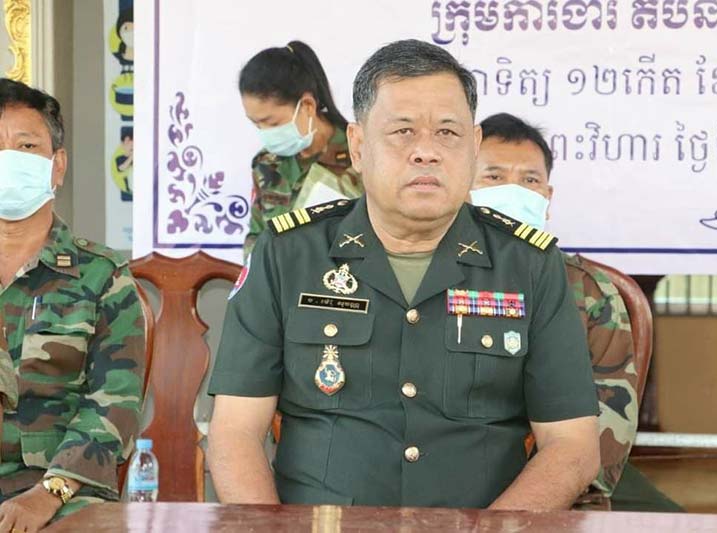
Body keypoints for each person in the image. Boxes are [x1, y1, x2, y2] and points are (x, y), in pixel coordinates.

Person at [207, 39, 599, 510]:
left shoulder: (529, 265)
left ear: (474, 147)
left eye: (448, 132)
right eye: (403, 131)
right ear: (358, 146)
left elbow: (572, 446)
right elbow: (235, 433)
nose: (426, 152)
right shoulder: (288, 254)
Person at [471, 112, 682, 512]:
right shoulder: (428, 276)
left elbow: (606, 426)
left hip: (563, 485)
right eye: (494, 177)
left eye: (529, 180)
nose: (513, 192)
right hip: (452, 482)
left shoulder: (588, 290)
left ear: (547, 198)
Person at [0, 79, 146, 531]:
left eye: (26, 146)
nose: (9, 160)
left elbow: (113, 406)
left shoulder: (102, 276)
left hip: (63, 493)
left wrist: (48, 494)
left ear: (57, 165)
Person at [239, 41, 363, 257]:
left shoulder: (362, 155)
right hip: (279, 276)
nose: (265, 132)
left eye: (272, 123)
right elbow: (256, 236)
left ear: (307, 105)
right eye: (256, 124)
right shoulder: (266, 163)